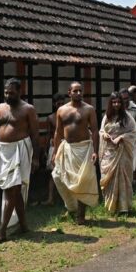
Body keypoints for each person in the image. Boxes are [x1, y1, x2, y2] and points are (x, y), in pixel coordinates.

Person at [0, 78, 39, 244]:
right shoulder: (0, 108)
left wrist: (36, 157)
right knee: (13, 189)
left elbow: (34, 134)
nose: (8, 95)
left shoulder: (28, 109)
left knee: (13, 189)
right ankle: (24, 225)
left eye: (11, 92)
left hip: (20, 150)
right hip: (3, 151)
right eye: (6, 92)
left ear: (20, 91)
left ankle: (2, 229)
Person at [51, 81, 100, 225]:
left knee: (82, 181)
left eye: (80, 91)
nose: (78, 93)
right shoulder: (62, 110)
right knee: (58, 177)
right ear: (69, 93)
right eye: (75, 91)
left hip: (84, 149)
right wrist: (54, 152)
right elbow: (58, 132)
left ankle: (81, 215)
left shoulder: (89, 109)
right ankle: (71, 207)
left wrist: (96, 151)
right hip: (67, 148)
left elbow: (95, 131)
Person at [98, 92, 136, 214]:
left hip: (122, 153)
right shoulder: (107, 117)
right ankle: (111, 207)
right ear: (110, 103)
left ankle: (124, 207)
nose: (116, 104)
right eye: (114, 102)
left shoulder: (127, 117)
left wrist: (122, 138)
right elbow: (101, 131)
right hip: (109, 153)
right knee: (108, 179)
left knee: (123, 179)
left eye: (119, 102)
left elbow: (134, 132)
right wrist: (104, 135)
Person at [43, 93, 66, 206]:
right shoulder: (51, 118)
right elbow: (48, 134)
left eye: (63, 103)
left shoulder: (68, 115)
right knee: (53, 173)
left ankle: (67, 198)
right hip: (54, 146)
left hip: (67, 145)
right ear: (54, 104)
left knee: (68, 172)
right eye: (58, 103)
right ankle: (50, 198)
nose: (61, 105)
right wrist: (46, 149)